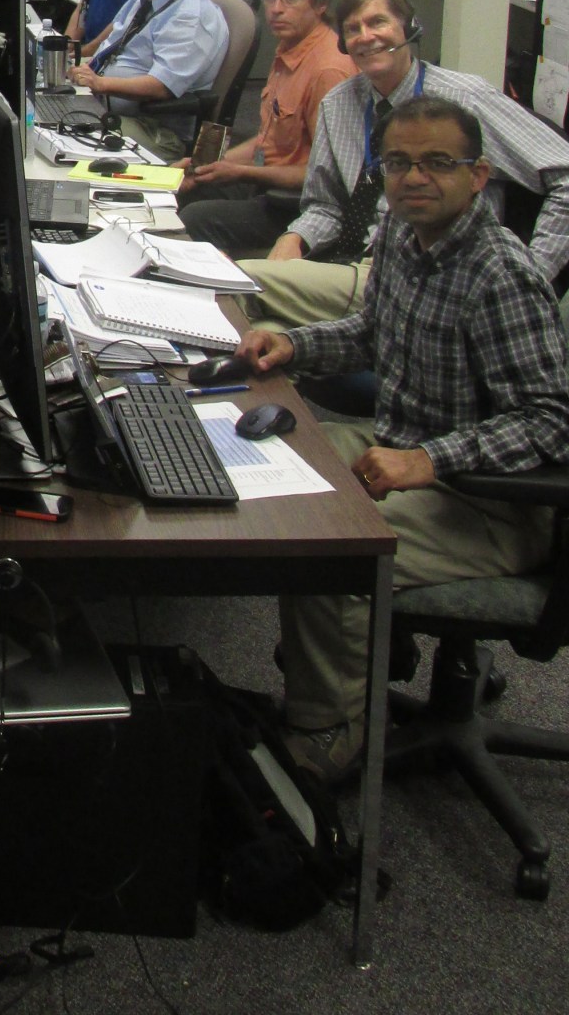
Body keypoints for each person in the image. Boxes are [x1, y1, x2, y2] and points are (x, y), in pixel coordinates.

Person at [236, 96, 569, 784]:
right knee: (280, 472)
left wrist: (429, 460)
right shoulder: (400, 235)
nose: (415, 177)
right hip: (405, 441)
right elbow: (369, 335)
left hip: (494, 503)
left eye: (437, 163)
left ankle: (331, 732)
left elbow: (548, 420)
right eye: (398, 162)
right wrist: (290, 346)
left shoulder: (500, 273)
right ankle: (348, 659)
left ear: (478, 176)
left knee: (327, 549)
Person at [237, 0, 569, 333]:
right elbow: (327, 204)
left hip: (430, 279)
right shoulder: (339, 105)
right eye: (353, 29)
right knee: (263, 335)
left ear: (409, 29)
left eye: (377, 22)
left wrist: (531, 276)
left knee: (238, 282)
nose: (365, 36)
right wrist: (295, 238)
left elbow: (565, 174)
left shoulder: (465, 100)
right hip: (354, 264)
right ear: (344, 45)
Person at [178, 0, 355, 257]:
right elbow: (264, 142)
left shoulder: (328, 70)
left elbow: (323, 175)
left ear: (321, 4)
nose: (276, 9)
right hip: (266, 179)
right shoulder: (289, 47)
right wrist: (204, 165)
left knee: (195, 217)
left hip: (296, 206)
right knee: (182, 188)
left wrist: (240, 173)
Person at [70, 0, 228, 160]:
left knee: (70, 135)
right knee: (51, 118)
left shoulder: (190, 16)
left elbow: (161, 86)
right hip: (111, 109)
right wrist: (80, 66)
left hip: (158, 130)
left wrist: (101, 83)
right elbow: (112, 43)